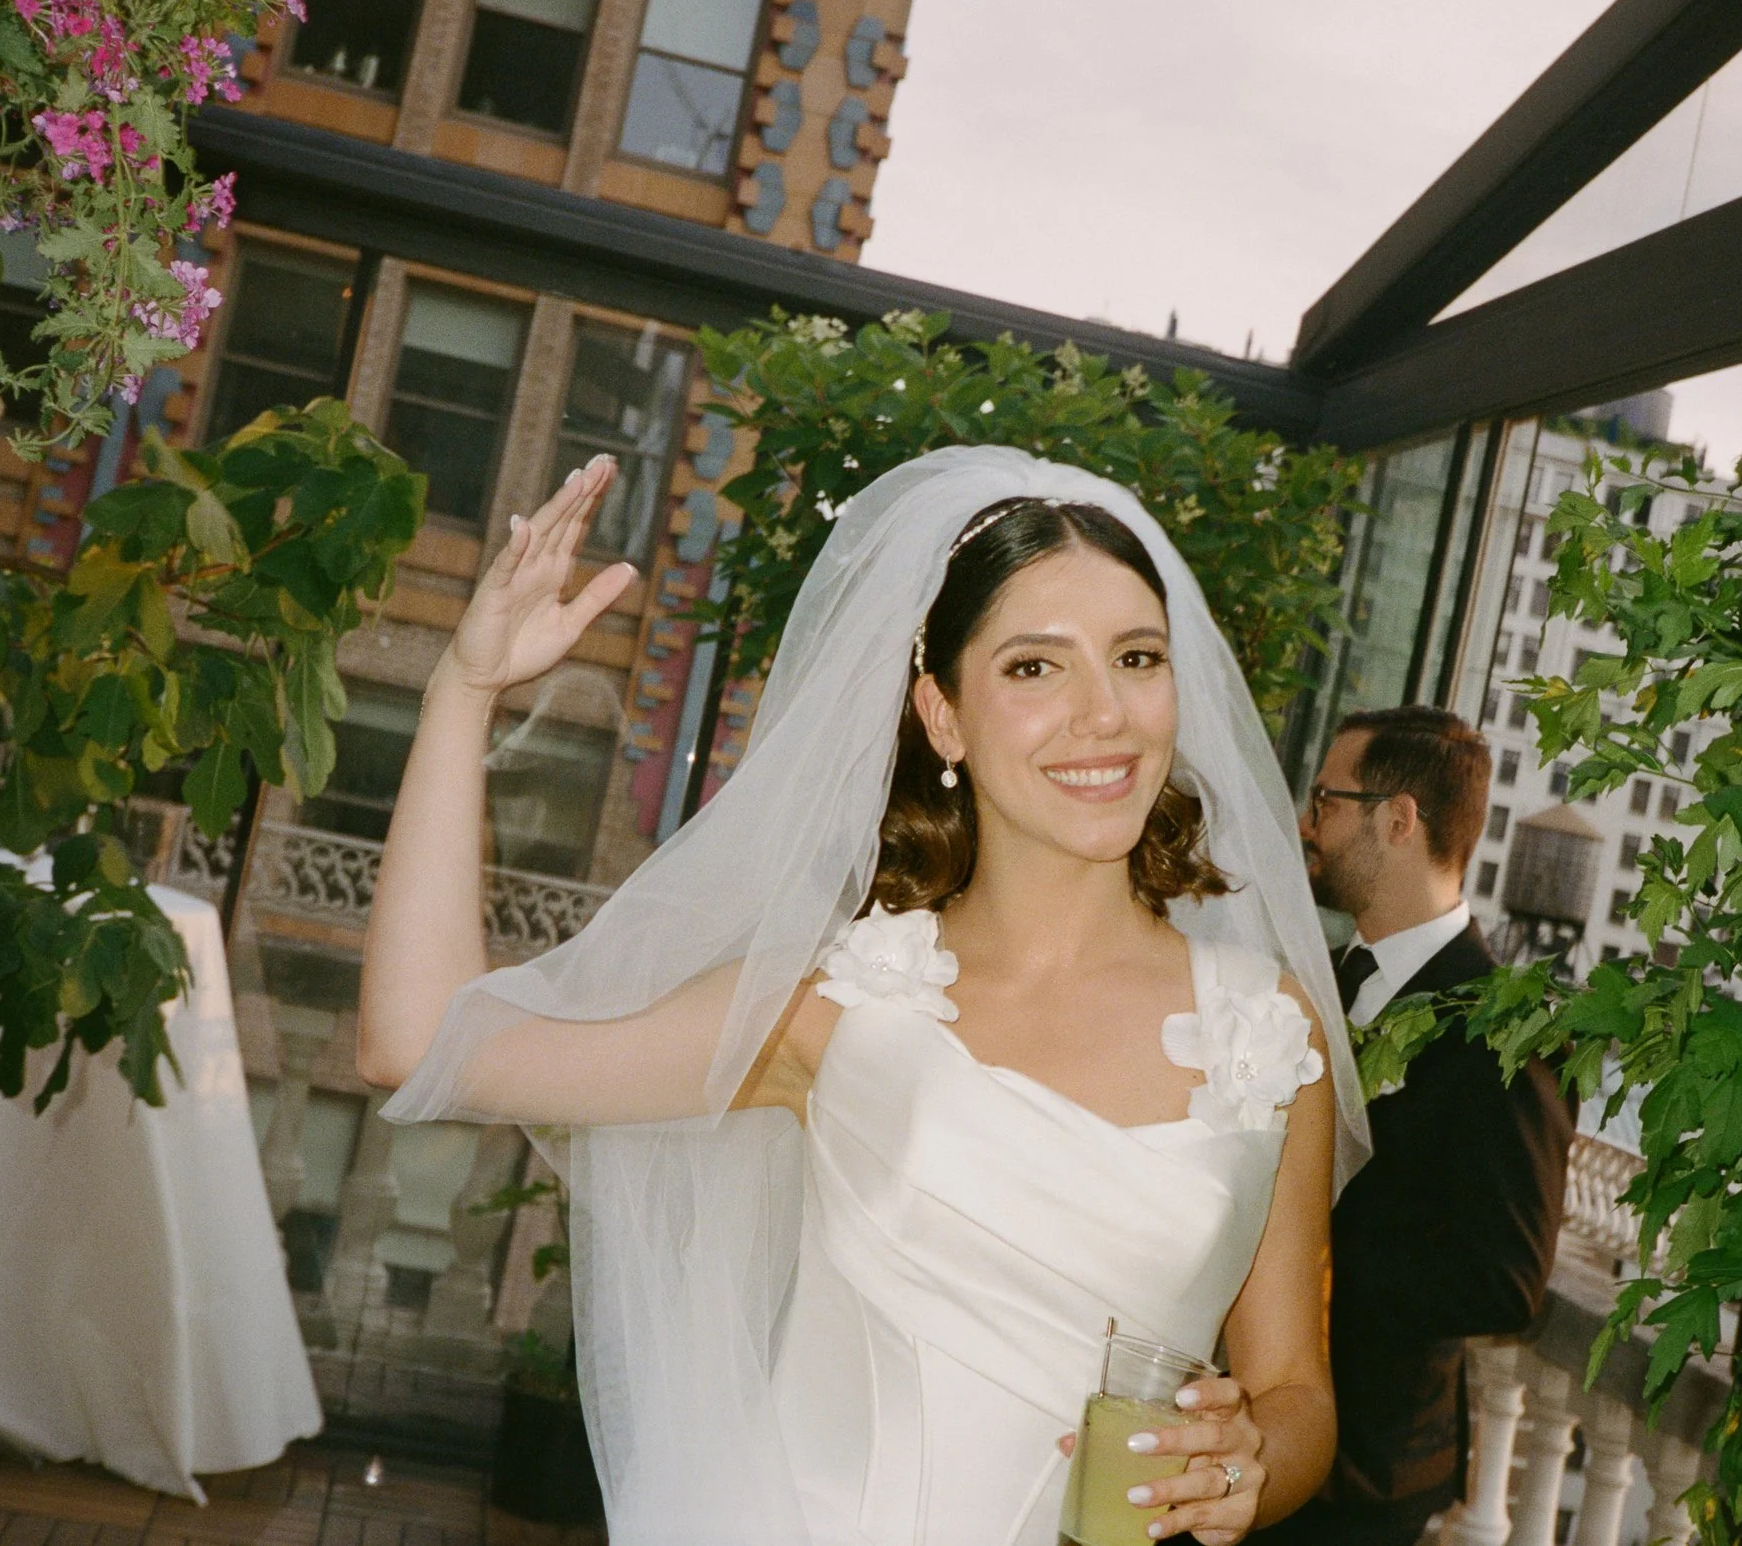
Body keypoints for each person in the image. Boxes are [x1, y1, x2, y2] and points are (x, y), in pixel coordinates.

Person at [354, 446, 1371, 1546]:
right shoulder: (834, 1009)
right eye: (1035, 668)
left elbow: (1296, 1392)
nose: (1104, 714)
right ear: (942, 715)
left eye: (1136, 657)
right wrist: (462, 691)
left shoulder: (1264, 1032)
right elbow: (417, 1042)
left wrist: (1251, 1465)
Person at [1268, 706, 1574, 1546]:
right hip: (1250, 1421)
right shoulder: (1312, 980)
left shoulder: (1508, 1033)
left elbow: (1505, 1279)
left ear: (1397, 819)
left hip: (1363, 1471)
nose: (1307, 822)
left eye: (1325, 800)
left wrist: (1305, 1256)